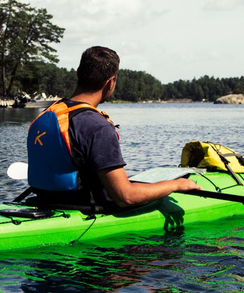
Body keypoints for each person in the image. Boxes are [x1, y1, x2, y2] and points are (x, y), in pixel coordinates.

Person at [26, 46, 201, 208]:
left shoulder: (48, 114)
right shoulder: (97, 127)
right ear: (111, 82)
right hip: (82, 208)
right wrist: (176, 184)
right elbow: (126, 197)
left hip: (43, 201)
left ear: (78, 73)